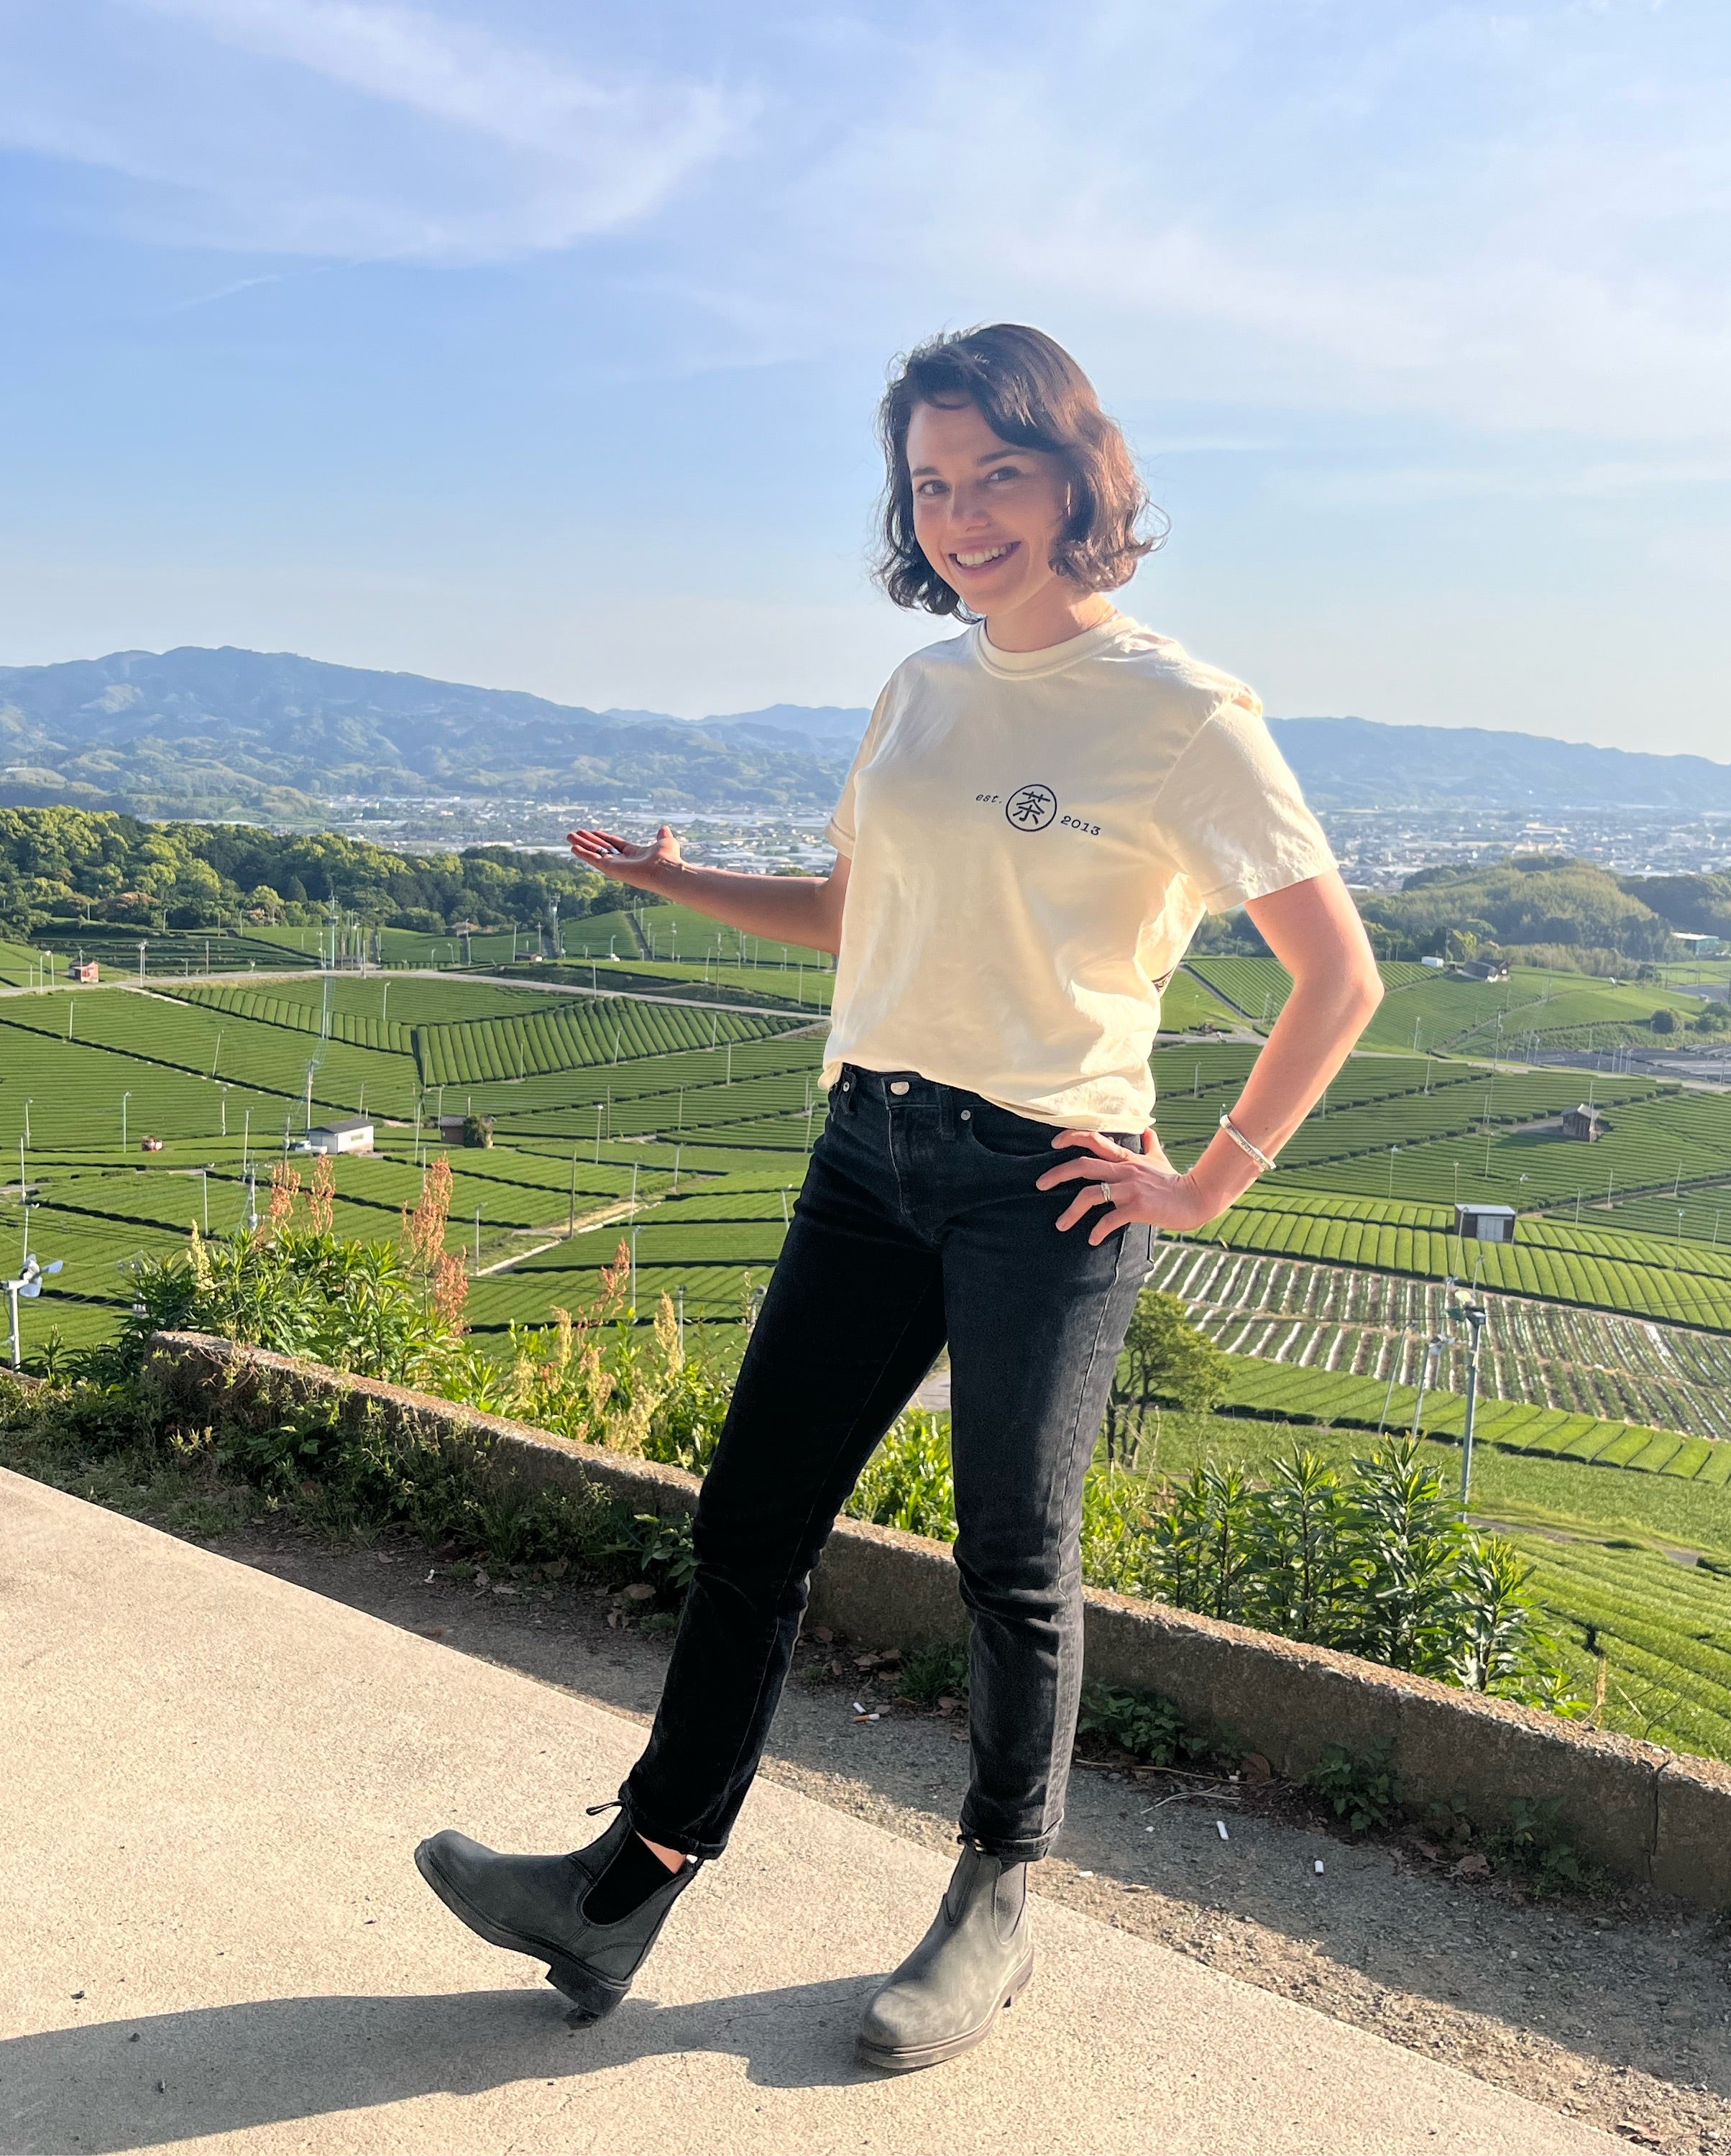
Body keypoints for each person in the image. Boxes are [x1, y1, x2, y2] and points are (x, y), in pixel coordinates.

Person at [415, 323, 1384, 2068]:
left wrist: (1211, 1178)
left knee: (1013, 1560)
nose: (960, 516)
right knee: (751, 1524)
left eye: (996, 473)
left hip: (1051, 1185)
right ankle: (620, 1888)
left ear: (1081, 474)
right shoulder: (923, 692)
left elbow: (1338, 977)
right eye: (931, 484)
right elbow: (863, 914)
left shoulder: (1185, 716)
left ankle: (997, 1899)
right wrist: (678, 877)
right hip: (866, 1150)